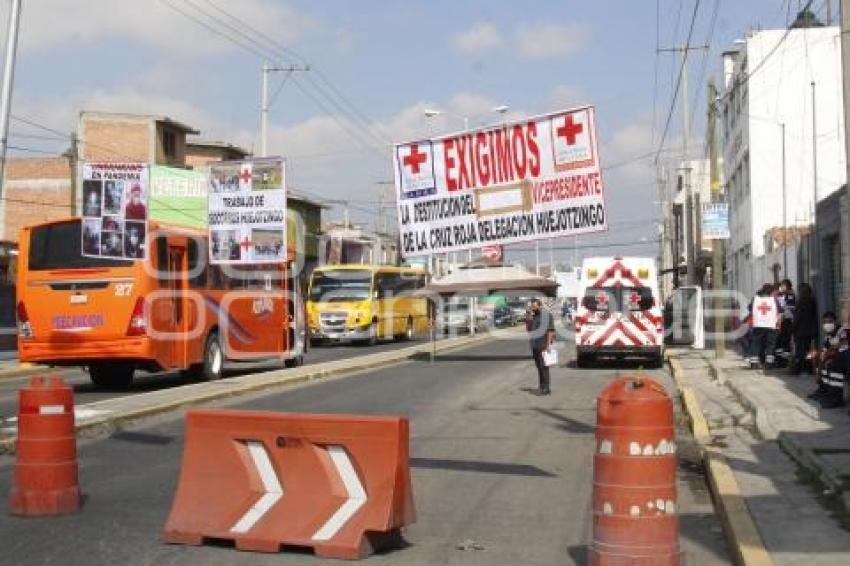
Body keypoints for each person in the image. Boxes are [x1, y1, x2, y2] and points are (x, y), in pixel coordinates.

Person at [808, 311, 849, 408]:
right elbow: (825, 350)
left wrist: (828, 357)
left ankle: (836, 399)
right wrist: (819, 355)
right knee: (821, 361)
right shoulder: (828, 335)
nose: (827, 325)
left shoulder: (842, 331)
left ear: (835, 321)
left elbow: (843, 348)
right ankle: (824, 391)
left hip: (843, 359)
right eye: (825, 322)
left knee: (832, 365)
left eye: (830, 321)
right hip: (837, 358)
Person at [747, 283, 780, 369]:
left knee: (756, 343)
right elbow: (780, 310)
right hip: (771, 324)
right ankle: (769, 363)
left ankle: (754, 363)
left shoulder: (755, 299)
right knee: (770, 344)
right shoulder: (774, 300)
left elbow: (750, 308)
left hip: (758, 324)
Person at [527, 298, 555, 395]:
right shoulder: (534, 316)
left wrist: (548, 346)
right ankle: (541, 386)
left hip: (543, 344)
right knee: (539, 367)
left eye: (534, 306)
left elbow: (550, 331)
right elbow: (529, 329)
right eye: (532, 306)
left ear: (540, 305)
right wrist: (529, 317)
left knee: (544, 367)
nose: (533, 308)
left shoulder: (547, 315)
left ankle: (546, 388)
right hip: (535, 345)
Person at [791, 282, 818, 375]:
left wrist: (792, 329)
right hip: (811, 331)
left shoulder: (800, 303)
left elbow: (797, 318)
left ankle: (803, 370)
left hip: (800, 332)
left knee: (801, 352)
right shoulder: (812, 302)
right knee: (809, 351)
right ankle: (809, 368)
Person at [774, 279, 796, 367]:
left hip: (787, 321)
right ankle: (780, 361)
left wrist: (782, 311)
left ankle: (785, 362)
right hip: (781, 321)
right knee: (779, 342)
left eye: (783, 286)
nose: (781, 287)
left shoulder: (790, 295)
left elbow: (789, 307)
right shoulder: (782, 295)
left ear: (787, 286)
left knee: (785, 342)